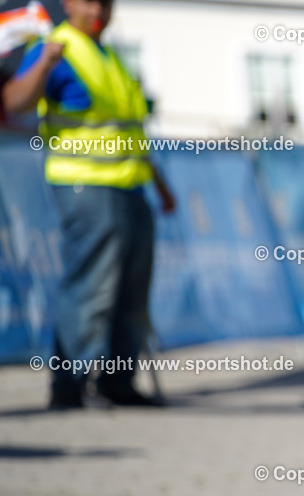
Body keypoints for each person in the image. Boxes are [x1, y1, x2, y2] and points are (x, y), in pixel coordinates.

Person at [2, 0, 175, 408]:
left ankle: (118, 381)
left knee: (132, 293)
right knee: (90, 287)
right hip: (85, 185)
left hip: (131, 186)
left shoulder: (111, 57)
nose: (99, 7)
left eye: (106, 2)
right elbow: (14, 101)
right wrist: (44, 63)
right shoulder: (56, 48)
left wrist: (160, 184)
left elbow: (128, 130)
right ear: (67, 4)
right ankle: (71, 385)